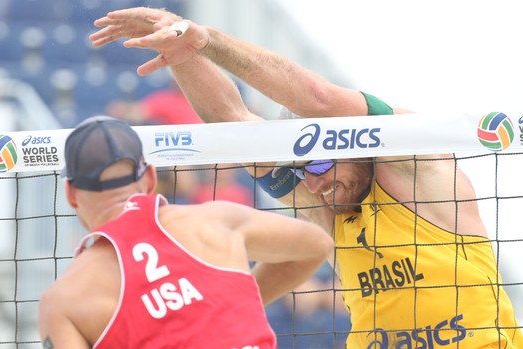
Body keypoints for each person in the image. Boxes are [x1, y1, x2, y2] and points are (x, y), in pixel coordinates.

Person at [89, 7, 523, 348]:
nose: (310, 184)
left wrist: (208, 40)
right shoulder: (324, 207)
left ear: (351, 142)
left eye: (317, 165)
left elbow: (317, 98)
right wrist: (183, 51)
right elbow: (230, 118)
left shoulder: (416, 161)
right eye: (301, 170)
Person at [37, 115, 333, 348]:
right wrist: (221, 302)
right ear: (150, 177)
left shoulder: (63, 301)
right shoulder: (215, 220)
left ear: (71, 194)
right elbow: (317, 245)